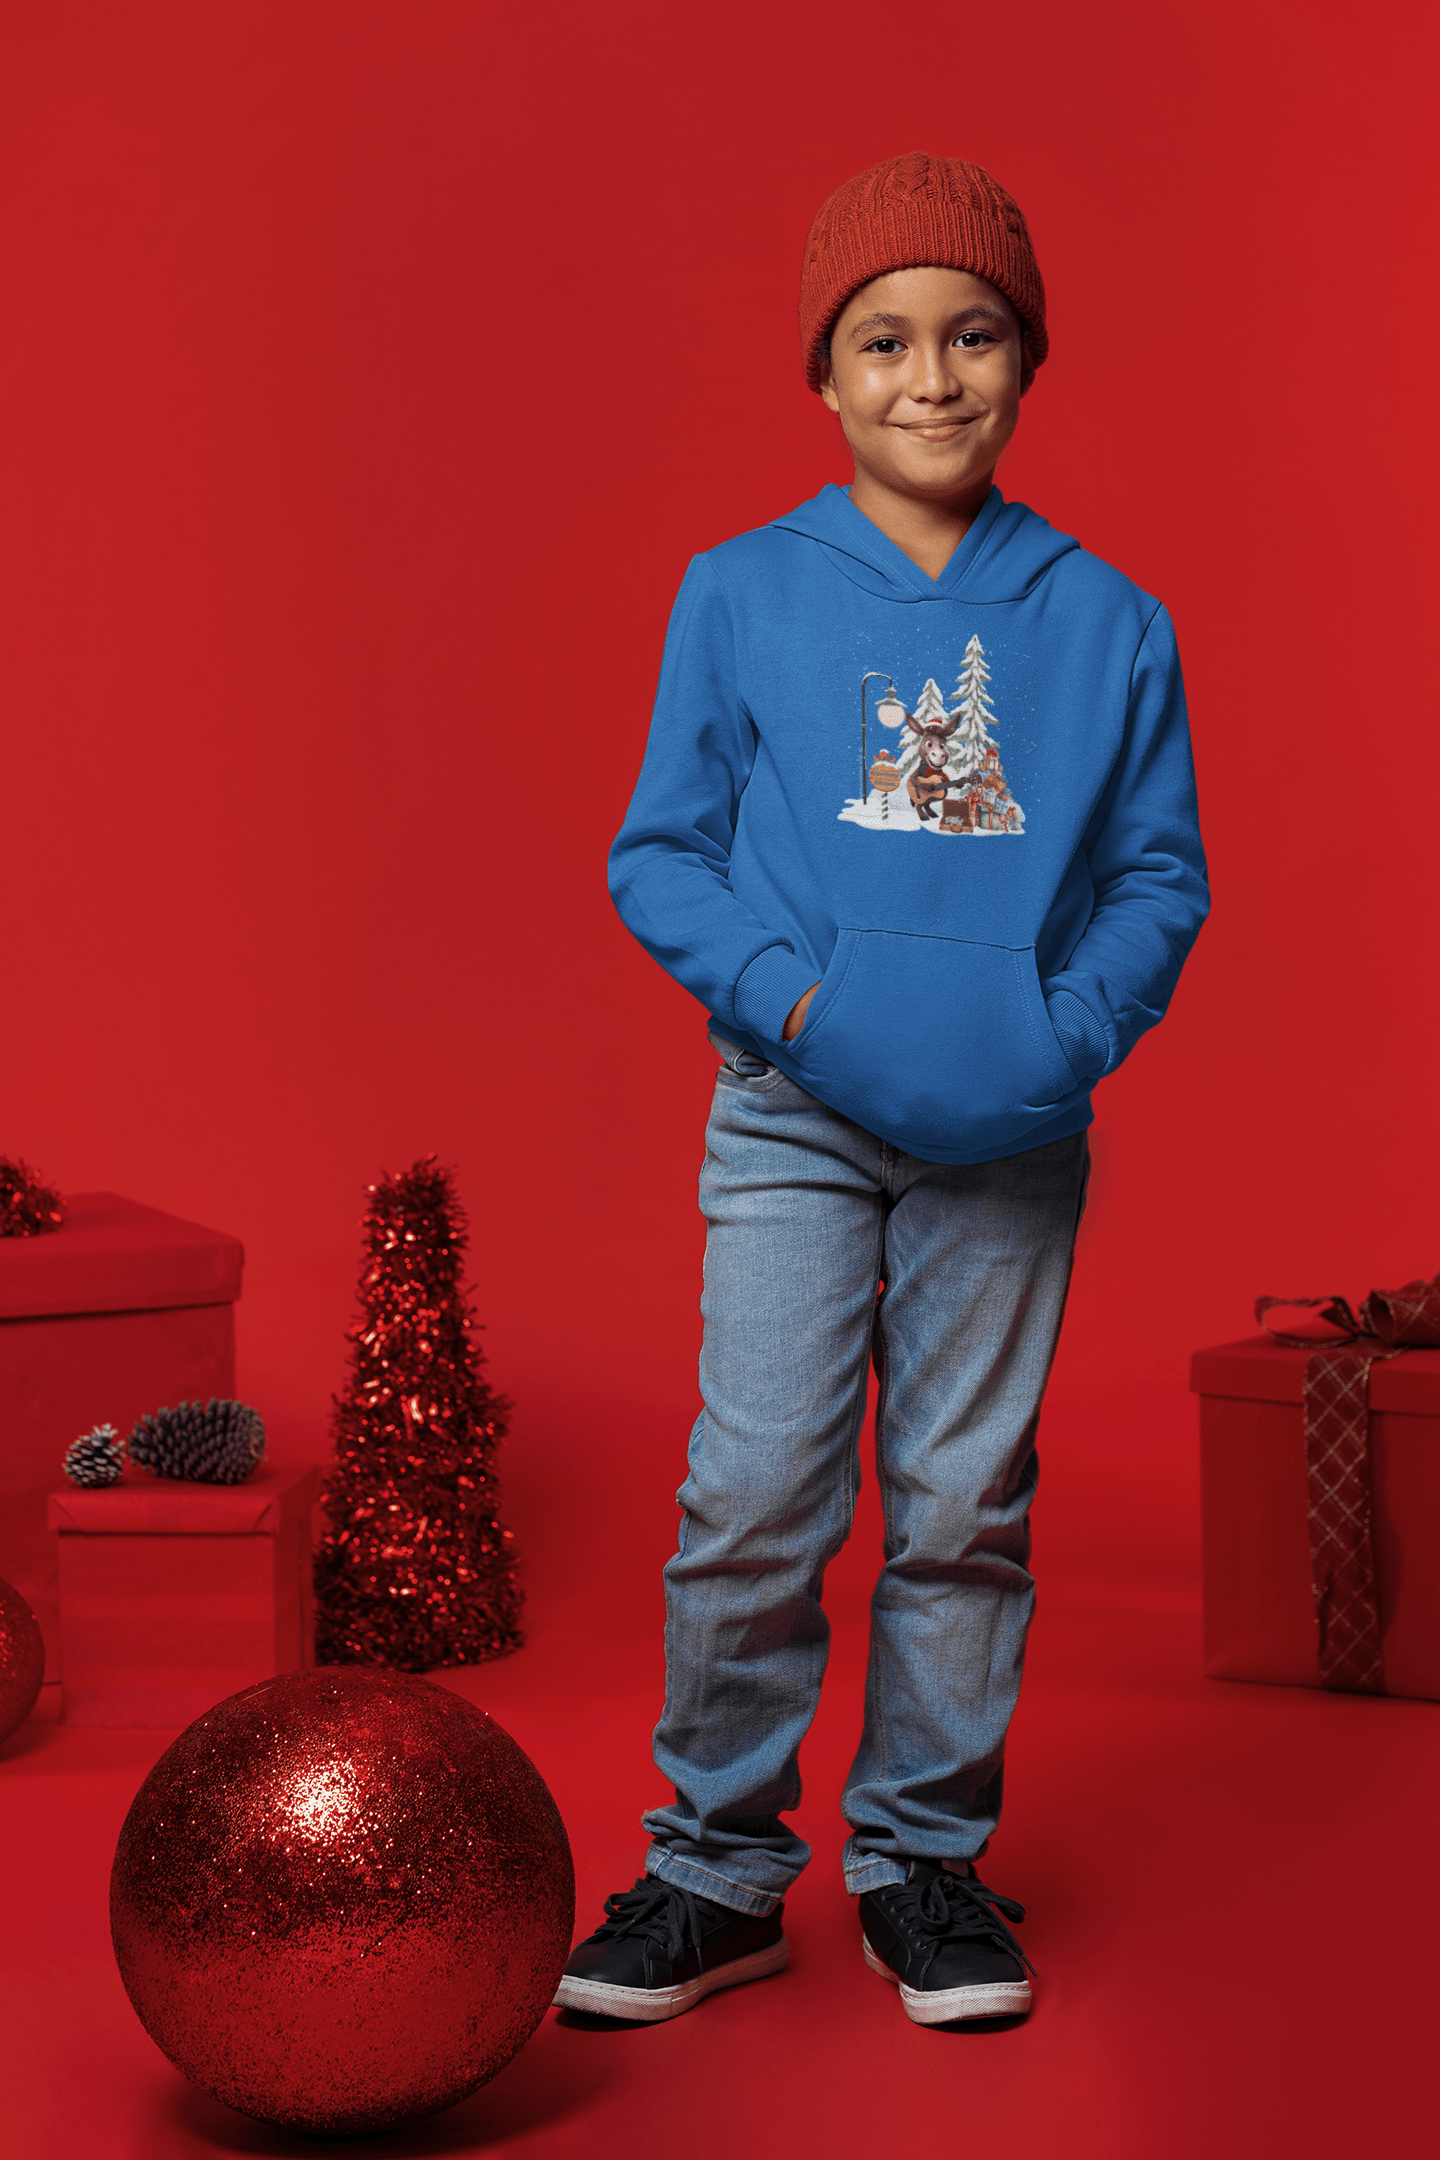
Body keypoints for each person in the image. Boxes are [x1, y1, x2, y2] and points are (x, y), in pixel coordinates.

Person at [554, 152, 1208, 2027]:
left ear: (1027, 359)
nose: (933, 378)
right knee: (756, 1485)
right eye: (886, 341)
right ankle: (720, 1872)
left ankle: (925, 1861)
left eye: (974, 335)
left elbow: (1162, 874)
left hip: (1009, 1127)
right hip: (795, 1110)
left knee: (963, 1506)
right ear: (826, 376)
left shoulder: (1109, 622)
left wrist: (1064, 1031)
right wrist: (801, 1004)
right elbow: (659, 851)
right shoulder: (743, 593)